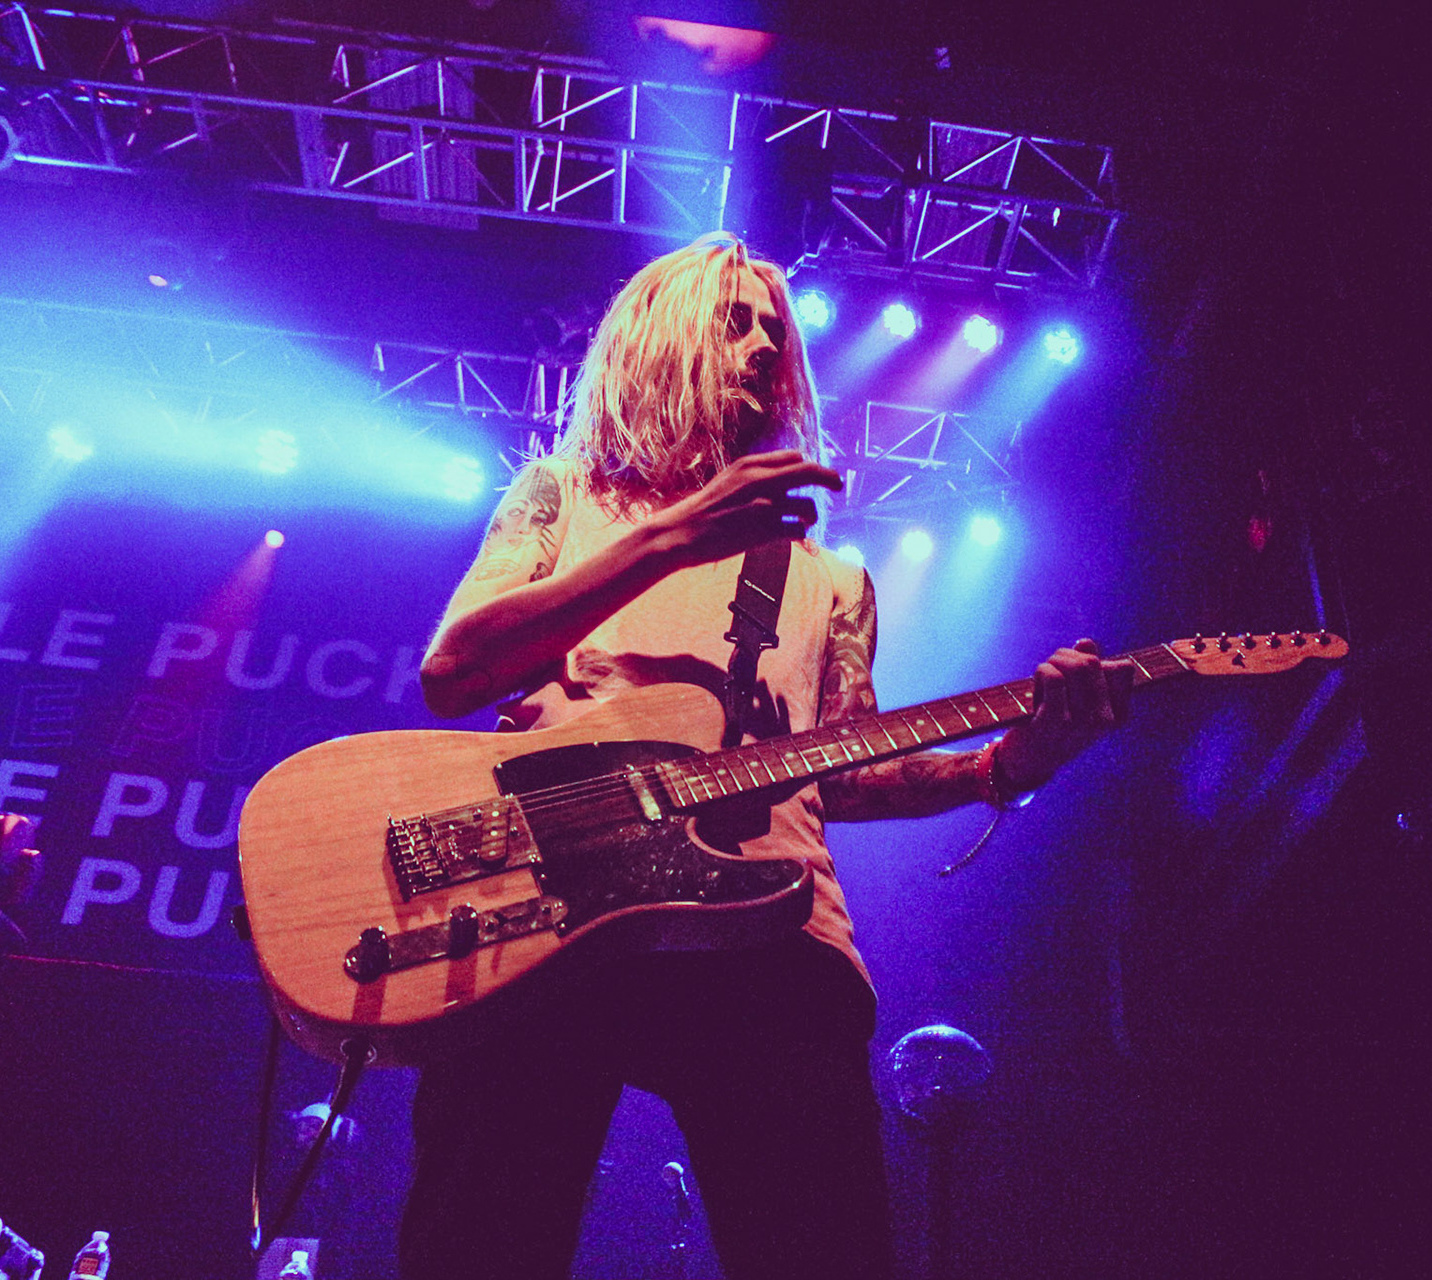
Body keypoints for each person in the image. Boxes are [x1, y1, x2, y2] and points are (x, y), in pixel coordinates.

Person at [403, 231, 1131, 1280]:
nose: (760, 347)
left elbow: (843, 769)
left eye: (774, 333)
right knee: (479, 1244)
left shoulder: (831, 578)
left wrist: (1006, 765)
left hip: (769, 925)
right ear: (661, 336)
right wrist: (668, 538)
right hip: (548, 904)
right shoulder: (562, 493)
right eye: (734, 321)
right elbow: (455, 668)